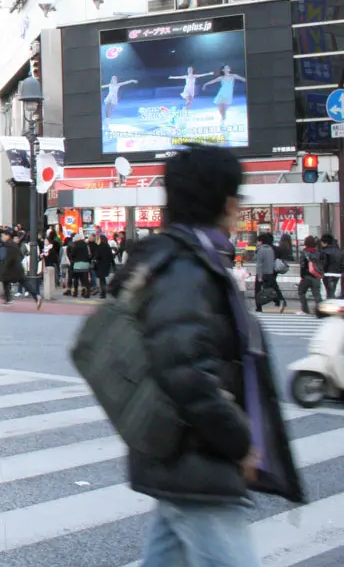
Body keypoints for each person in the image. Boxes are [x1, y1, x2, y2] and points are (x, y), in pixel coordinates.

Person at [115, 145, 302, 566]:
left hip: (180, 458)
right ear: (227, 202)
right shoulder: (187, 267)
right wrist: (239, 441)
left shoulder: (184, 259)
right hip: (197, 459)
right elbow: (185, 371)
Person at [254, 232, 285, 313]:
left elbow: (259, 264)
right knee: (270, 289)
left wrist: (259, 276)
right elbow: (272, 262)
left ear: (261, 242)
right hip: (270, 273)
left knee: (258, 291)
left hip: (262, 273)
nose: (257, 243)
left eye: (257, 241)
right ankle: (278, 300)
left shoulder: (260, 250)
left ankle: (259, 307)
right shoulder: (271, 249)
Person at [0, 230, 26, 306]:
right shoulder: (10, 244)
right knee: (6, 282)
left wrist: (5, 267)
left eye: (3, 236)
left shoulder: (10, 244)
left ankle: (8, 298)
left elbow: (9, 258)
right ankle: (7, 298)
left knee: (22, 282)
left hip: (13, 268)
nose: (2, 238)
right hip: (12, 268)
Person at [297, 235, 323, 316]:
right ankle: (321, 311)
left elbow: (303, 265)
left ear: (306, 243)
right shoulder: (318, 253)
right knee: (317, 294)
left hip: (307, 276)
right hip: (316, 276)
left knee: (301, 292)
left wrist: (302, 276)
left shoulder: (304, 253)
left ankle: (305, 310)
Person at [320, 233, 342, 300]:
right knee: (333, 291)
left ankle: (330, 305)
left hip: (328, 274)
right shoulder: (339, 251)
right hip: (338, 274)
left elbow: (324, 263)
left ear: (325, 243)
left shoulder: (324, 251)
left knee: (329, 292)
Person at [93, 234, 115, 299]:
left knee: (101, 279)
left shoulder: (100, 247)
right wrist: (113, 264)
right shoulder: (108, 246)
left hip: (100, 264)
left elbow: (97, 256)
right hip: (107, 264)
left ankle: (103, 292)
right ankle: (104, 291)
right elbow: (111, 256)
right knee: (103, 278)